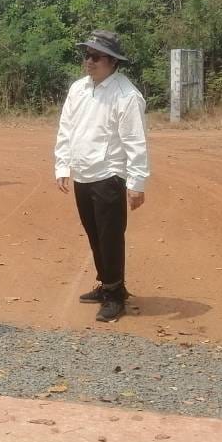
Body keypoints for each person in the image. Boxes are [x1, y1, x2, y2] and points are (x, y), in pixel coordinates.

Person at [53, 31, 150, 323]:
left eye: (96, 56)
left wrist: (136, 184)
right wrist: (62, 165)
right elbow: (66, 128)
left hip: (109, 175)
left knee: (110, 237)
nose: (89, 61)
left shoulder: (126, 95)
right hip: (82, 173)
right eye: (87, 55)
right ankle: (106, 283)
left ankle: (115, 294)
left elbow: (136, 141)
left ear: (113, 61)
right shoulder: (78, 89)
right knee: (94, 233)